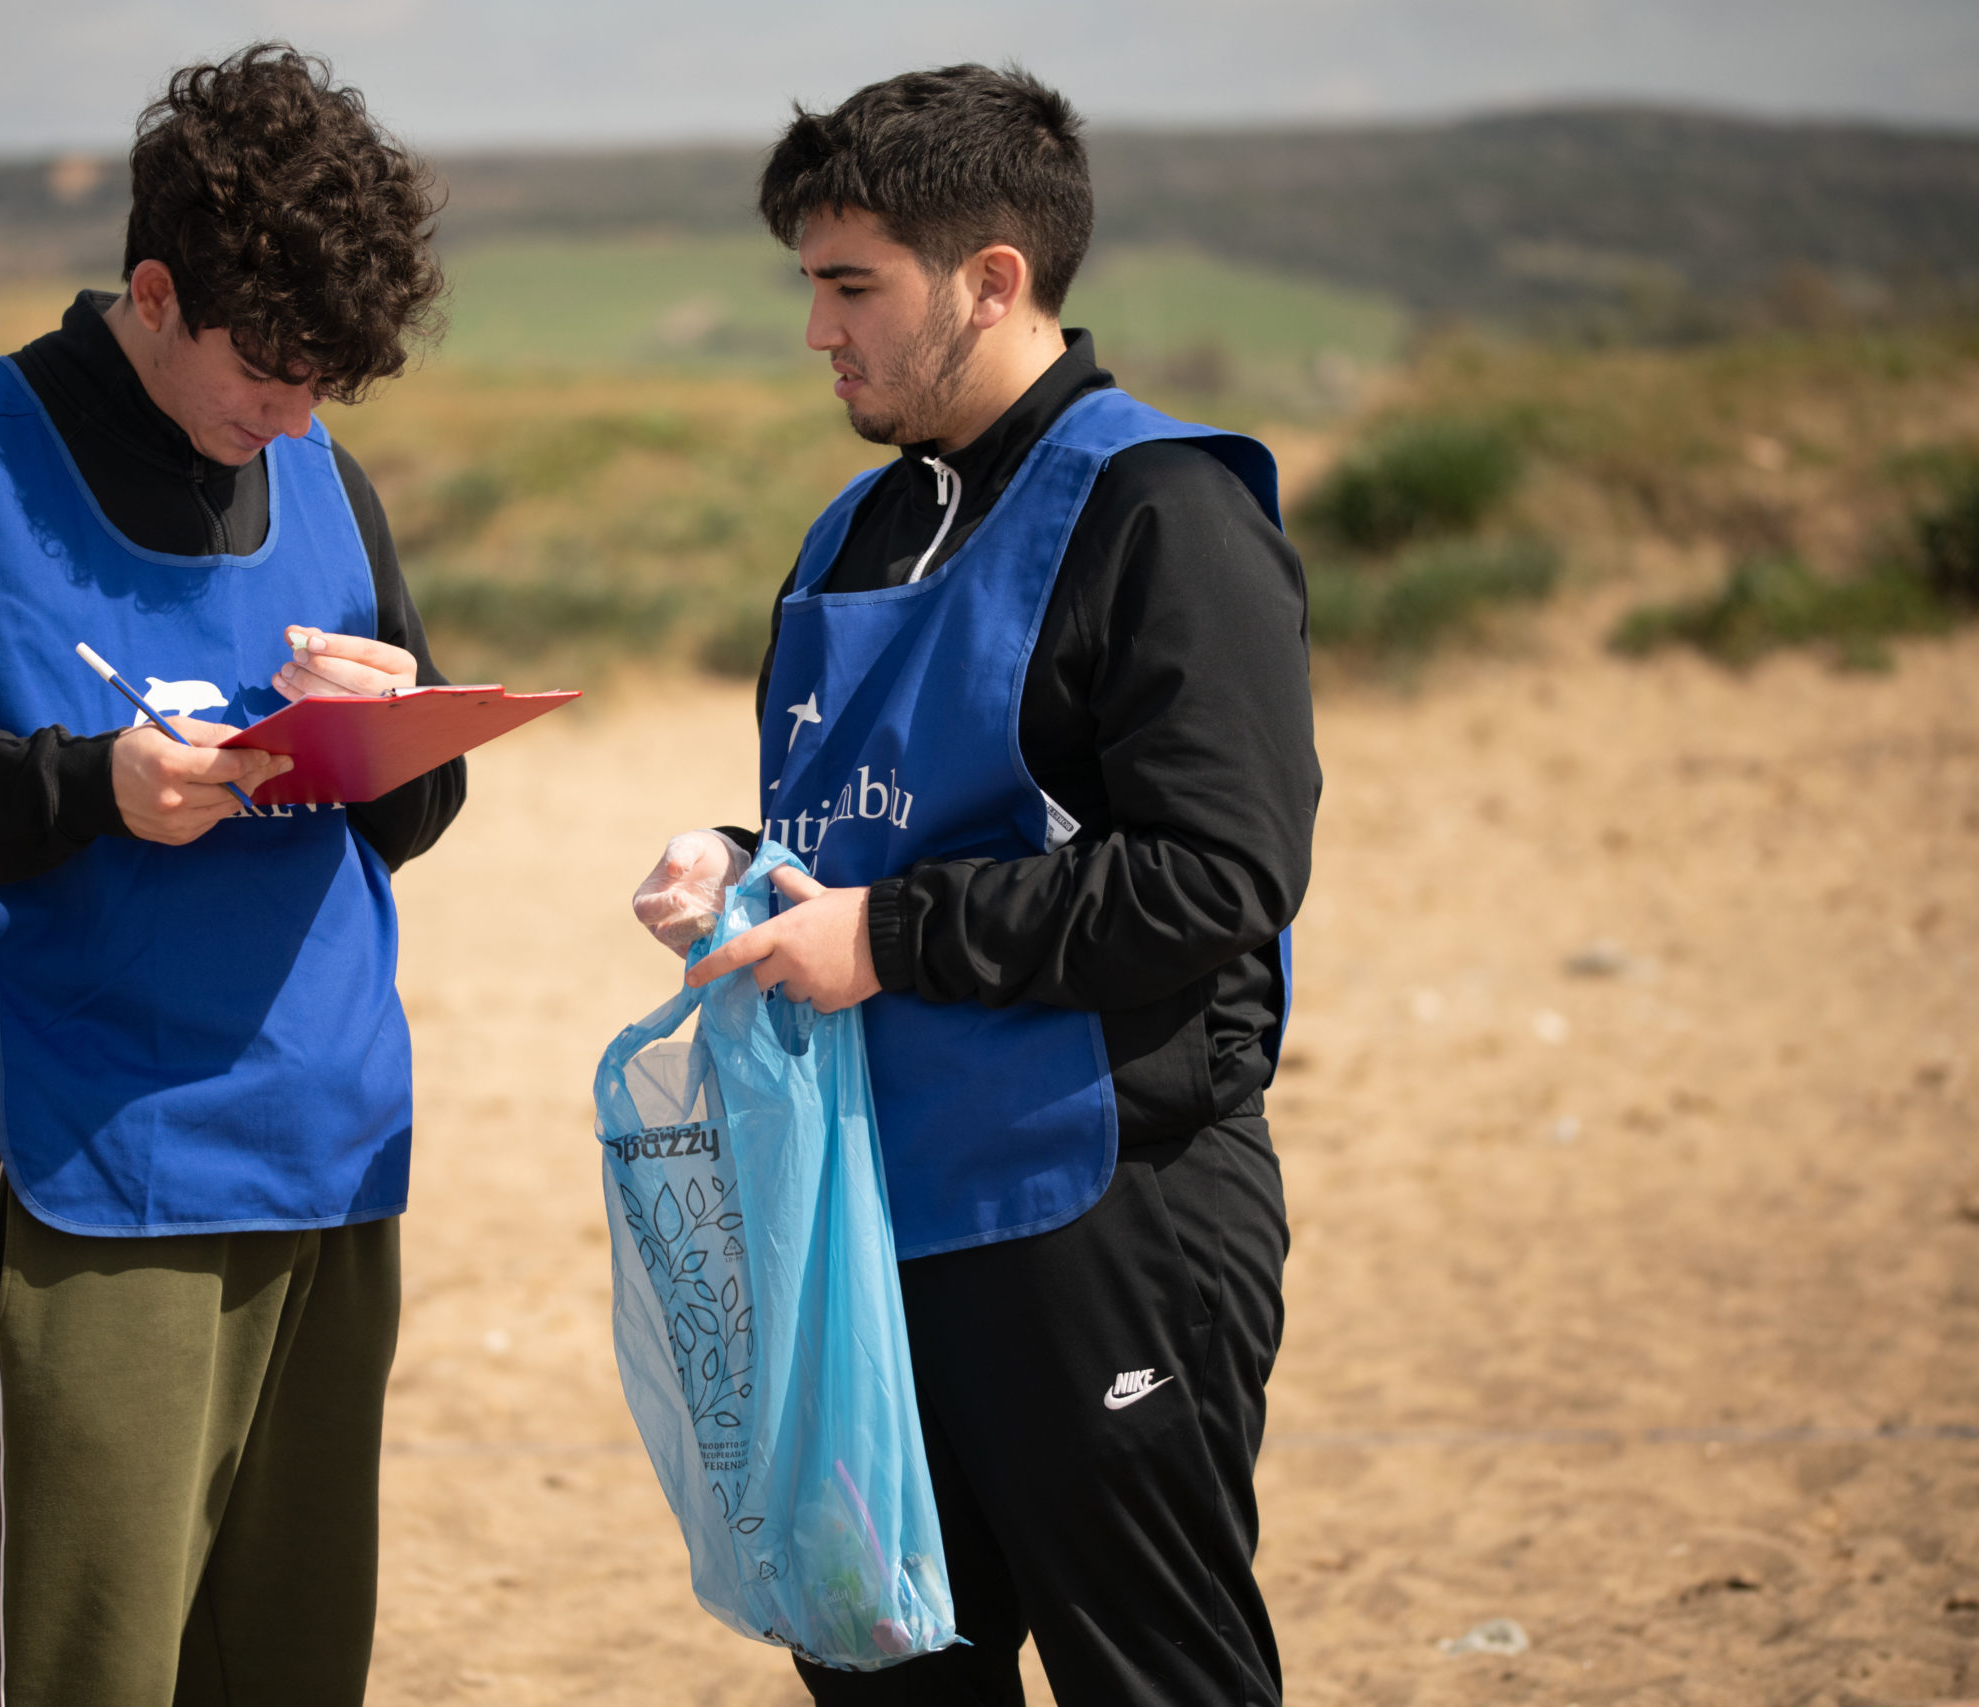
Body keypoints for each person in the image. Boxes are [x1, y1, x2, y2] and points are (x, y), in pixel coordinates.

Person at [0, 44, 460, 1706]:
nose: (294, 421)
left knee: (289, 1672)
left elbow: (408, 827)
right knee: (80, 1671)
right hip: (89, 1164)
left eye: (329, 387)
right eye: (272, 371)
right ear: (155, 291)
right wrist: (89, 786)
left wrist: (395, 734)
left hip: (330, 1154)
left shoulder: (321, 471)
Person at [633, 64, 1317, 1707]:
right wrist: (745, 871)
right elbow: (874, 827)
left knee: (1155, 1676)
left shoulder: (1168, 508)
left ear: (993, 278)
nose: (819, 331)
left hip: (1103, 1211)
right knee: (877, 1671)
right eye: (811, 283)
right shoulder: (850, 534)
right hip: (858, 1216)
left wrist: (887, 935)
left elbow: (1220, 876)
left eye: (851, 284)